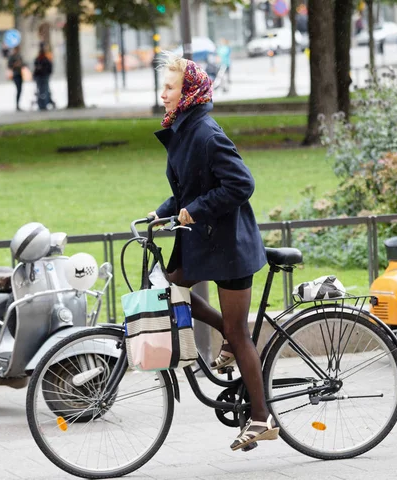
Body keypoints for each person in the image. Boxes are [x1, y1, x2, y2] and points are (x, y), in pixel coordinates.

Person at [148, 52, 278, 452]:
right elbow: (190, 187)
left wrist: (195, 210)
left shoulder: (205, 132)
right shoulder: (185, 130)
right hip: (209, 244)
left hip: (232, 247)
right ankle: (225, 335)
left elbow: (241, 184)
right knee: (168, 289)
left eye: (169, 88)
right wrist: (164, 212)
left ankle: (260, 419)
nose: (163, 94)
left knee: (240, 334)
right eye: (163, 87)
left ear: (188, 92)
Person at [33, 44, 55, 110]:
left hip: (43, 77)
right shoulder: (40, 59)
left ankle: (43, 104)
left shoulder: (43, 59)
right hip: (41, 77)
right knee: (42, 91)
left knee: (43, 91)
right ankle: (43, 104)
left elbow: (49, 68)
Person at [8, 46, 24, 111]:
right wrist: (15, 65)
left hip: (20, 74)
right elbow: (9, 65)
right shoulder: (12, 57)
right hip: (15, 74)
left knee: (20, 90)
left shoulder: (19, 56)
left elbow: (23, 64)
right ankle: (17, 105)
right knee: (18, 90)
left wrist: (20, 64)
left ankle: (18, 104)